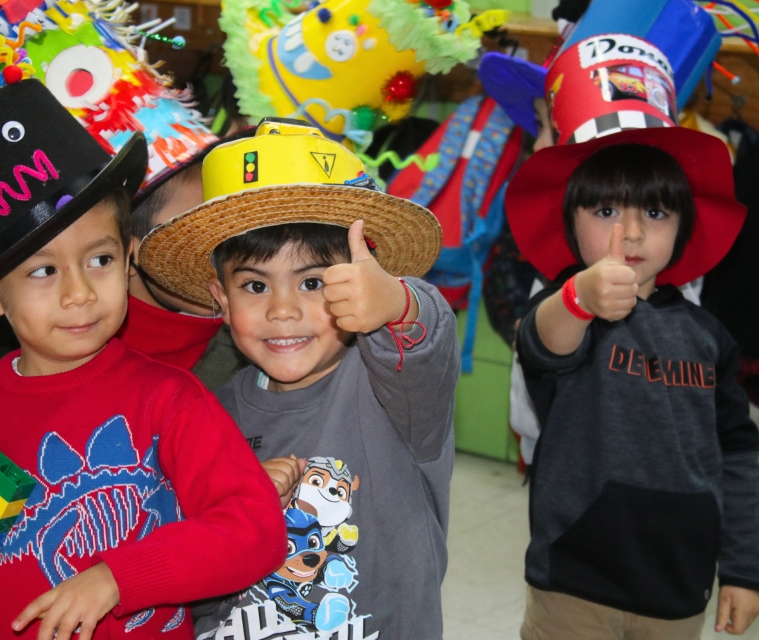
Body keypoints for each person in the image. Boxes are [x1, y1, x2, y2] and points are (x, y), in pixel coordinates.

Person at [0, 80, 285, 640]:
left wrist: (118, 576)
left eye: (101, 259)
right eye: (43, 270)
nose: (79, 293)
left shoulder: (169, 399)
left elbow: (254, 529)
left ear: (130, 258)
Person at [137, 118, 459, 640]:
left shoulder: (392, 389)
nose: (283, 311)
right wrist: (233, 512)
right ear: (221, 300)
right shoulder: (206, 413)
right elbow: (193, 567)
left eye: (313, 282)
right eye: (255, 286)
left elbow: (424, 338)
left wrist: (396, 303)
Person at [505, 127, 759, 639]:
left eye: (655, 213)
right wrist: (580, 298)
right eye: (605, 213)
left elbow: (739, 455)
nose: (632, 233)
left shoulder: (709, 336)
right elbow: (541, 343)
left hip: (677, 588)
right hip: (573, 583)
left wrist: (744, 570)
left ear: (683, 227)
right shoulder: (565, 309)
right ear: (570, 224)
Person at [120, 128, 256, 388]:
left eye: (230, 223)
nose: (223, 246)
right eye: (192, 231)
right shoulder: (82, 355)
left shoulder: (258, 340)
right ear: (128, 253)